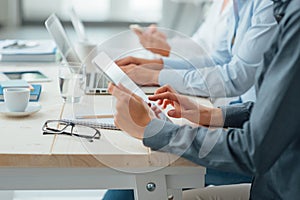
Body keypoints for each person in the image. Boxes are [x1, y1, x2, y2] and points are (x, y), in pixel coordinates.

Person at [108, 0, 300, 199]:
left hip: (278, 183)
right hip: (273, 179)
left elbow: (253, 149)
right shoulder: (282, 9)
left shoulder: (292, 19)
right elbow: (282, 111)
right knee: (138, 178)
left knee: (141, 175)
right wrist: (216, 115)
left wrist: (151, 130)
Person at [116, 0, 277, 102]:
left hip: (254, 117)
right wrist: (157, 65)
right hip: (236, 107)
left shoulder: (268, 6)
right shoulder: (238, 4)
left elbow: (237, 76)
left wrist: (154, 75)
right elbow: (218, 59)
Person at [133, 0, 232, 57]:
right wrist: (165, 45)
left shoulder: (241, 7)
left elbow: (225, 64)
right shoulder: (218, 4)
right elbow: (201, 46)